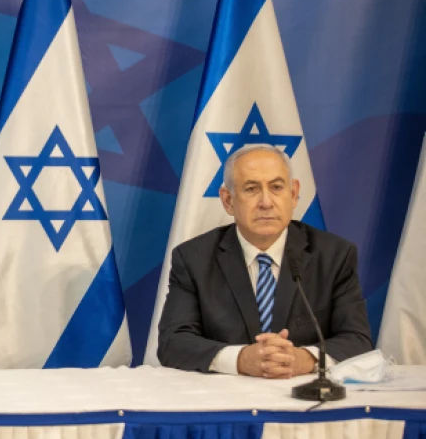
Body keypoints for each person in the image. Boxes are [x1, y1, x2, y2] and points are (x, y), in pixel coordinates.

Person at [158, 144, 372, 377]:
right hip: (226, 400)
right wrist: (239, 359)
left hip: (303, 397)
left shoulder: (334, 256)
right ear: (228, 200)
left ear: (293, 194)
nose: (266, 202)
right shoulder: (193, 259)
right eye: (251, 189)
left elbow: (357, 340)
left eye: (277, 187)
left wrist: (306, 359)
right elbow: (173, 343)